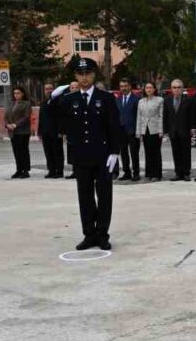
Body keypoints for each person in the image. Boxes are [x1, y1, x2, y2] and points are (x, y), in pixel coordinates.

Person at [50, 58, 122, 250]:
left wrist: (115, 152)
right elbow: (53, 116)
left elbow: (114, 127)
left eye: (88, 73)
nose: (84, 77)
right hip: (81, 157)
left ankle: (102, 234)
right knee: (85, 196)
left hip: (103, 156)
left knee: (104, 196)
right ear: (75, 76)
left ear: (94, 75)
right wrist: (55, 95)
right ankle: (89, 234)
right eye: (80, 74)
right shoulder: (69, 100)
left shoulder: (106, 98)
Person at [163, 79, 196, 181]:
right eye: (174, 87)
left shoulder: (188, 100)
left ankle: (186, 173)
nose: (176, 89)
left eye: (178, 87)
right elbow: (165, 116)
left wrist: (192, 129)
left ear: (182, 89)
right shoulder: (167, 100)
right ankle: (178, 173)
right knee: (176, 152)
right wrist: (165, 131)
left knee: (186, 153)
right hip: (173, 131)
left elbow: (192, 116)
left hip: (185, 131)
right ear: (171, 89)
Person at [135, 80, 164, 181]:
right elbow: (139, 117)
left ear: (154, 89)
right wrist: (138, 132)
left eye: (150, 87)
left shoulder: (159, 100)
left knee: (156, 152)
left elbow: (161, 116)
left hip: (155, 129)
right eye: (147, 88)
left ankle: (157, 174)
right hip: (144, 130)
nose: (148, 89)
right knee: (147, 152)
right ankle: (149, 173)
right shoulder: (141, 101)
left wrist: (161, 130)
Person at [4, 87, 32, 179]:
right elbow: (6, 116)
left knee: (23, 151)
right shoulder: (11, 104)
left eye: (18, 93)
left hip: (23, 131)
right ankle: (19, 169)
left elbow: (26, 117)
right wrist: (7, 124)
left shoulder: (26, 104)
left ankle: (26, 170)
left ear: (22, 94)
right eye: (15, 93)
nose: (16, 95)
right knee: (16, 151)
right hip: (13, 132)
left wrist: (15, 124)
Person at [116, 79, 141, 182]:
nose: (124, 88)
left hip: (133, 130)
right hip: (121, 131)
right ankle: (127, 172)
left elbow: (139, 116)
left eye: (125, 86)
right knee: (123, 153)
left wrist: (138, 130)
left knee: (134, 153)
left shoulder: (137, 99)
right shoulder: (118, 99)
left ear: (130, 87)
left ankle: (136, 173)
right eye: (122, 86)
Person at [38, 83, 65, 177]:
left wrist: (61, 131)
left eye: (50, 89)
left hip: (56, 132)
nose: (49, 90)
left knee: (57, 152)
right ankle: (51, 170)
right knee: (48, 153)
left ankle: (59, 171)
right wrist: (39, 131)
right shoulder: (43, 102)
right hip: (45, 132)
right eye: (46, 89)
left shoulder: (59, 101)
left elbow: (61, 118)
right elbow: (41, 118)